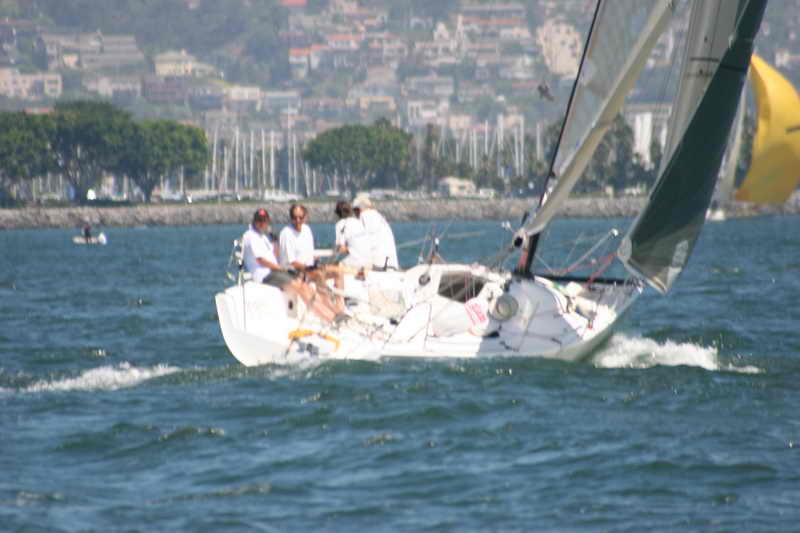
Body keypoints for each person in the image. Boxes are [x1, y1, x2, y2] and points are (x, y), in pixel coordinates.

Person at [242, 208, 342, 324]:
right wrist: (280, 268)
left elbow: (274, 256)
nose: (262, 223)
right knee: (300, 287)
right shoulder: (250, 236)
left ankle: (335, 312)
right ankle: (330, 318)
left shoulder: (263, 237)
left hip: (275, 272)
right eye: (259, 221)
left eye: (264, 221)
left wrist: (275, 242)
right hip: (265, 275)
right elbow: (260, 260)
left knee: (305, 286)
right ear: (254, 221)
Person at [279, 203, 346, 310]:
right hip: (294, 273)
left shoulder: (307, 230)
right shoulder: (286, 233)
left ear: (305, 217)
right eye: (294, 217)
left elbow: (308, 254)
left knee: (338, 271)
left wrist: (315, 262)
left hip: (309, 269)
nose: (297, 220)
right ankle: (329, 309)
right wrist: (309, 268)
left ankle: (340, 307)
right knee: (319, 275)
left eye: (300, 217)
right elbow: (291, 261)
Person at [353, 195, 399, 270]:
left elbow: (361, 243)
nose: (355, 214)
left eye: (355, 210)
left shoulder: (365, 215)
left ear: (359, 209)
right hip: (391, 264)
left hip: (379, 266)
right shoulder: (378, 216)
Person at [333, 200, 373, 269]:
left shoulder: (340, 224)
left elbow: (340, 248)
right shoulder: (358, 222)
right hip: (369, 261)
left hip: (356, 261)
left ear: (337, 213)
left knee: (331, 267)